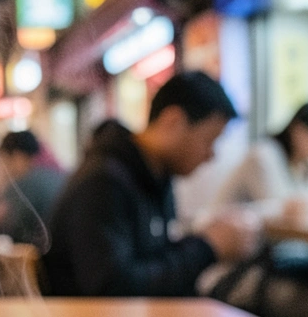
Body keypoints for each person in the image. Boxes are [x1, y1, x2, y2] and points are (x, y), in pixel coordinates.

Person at [45, 71, 258, 297]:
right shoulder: (103, 180)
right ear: (173, 121)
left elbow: (153, 263)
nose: (210, 156)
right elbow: (113, 288)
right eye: (208, 141)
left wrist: (205, 243)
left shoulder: (154, 177)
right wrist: (207, 247)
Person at [215, 102, 308, 216]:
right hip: (224, 236)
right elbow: (284, 208)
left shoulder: (307, 162)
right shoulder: (263, 154)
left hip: (261, 238)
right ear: (298, 130)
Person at [0, 130, 68, 248]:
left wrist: (0, 182)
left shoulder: (24, 184)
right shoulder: (53, 173)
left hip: (46, 256)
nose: (2, 165)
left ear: (17, 157)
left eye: (3, 159)